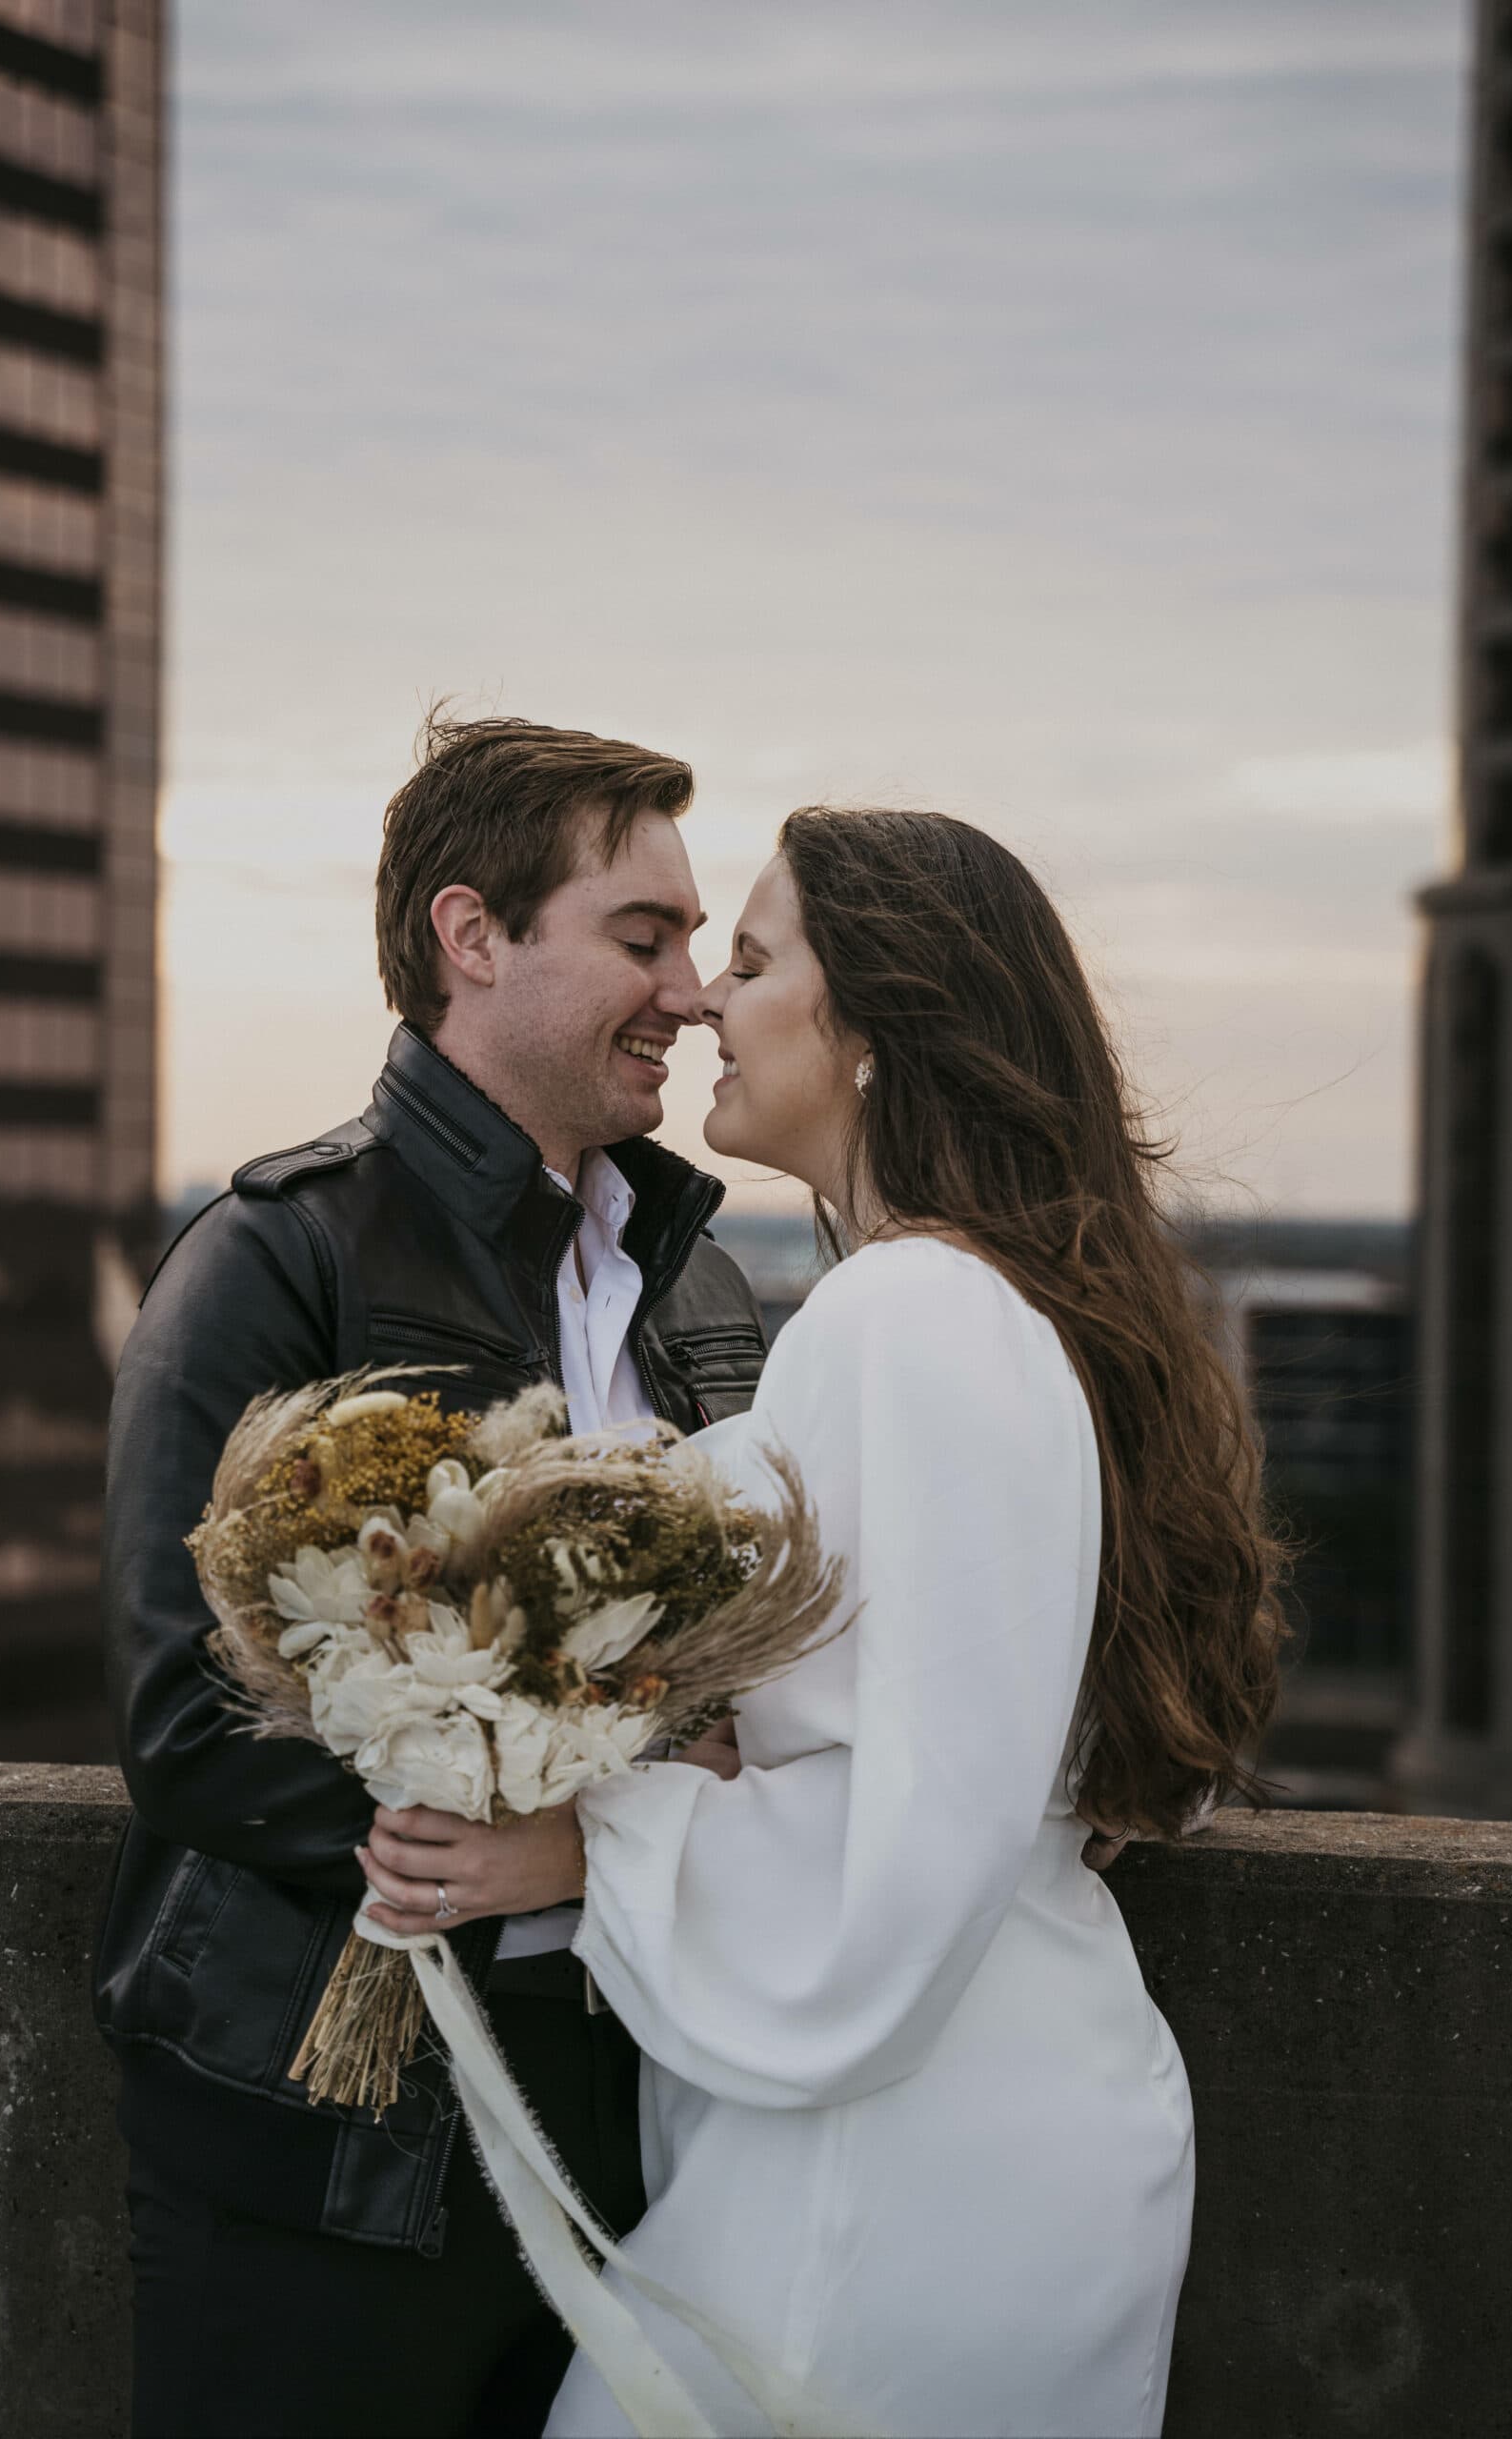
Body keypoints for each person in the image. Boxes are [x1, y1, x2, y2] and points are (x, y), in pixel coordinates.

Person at [370, 805, 1283, 2439]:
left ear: (875, 1027)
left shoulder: (915, 1315)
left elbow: (913, 1842)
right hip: (974, 2108)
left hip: (903, 2155)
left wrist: (597, 1843)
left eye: (751, 957)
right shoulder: (986, 1304)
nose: (709, 1000)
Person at [93, 716, 774, 2439]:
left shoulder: (703, 1300)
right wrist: (502, 1826)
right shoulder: (275, 1257)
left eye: (696, 946)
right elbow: (185, 1714)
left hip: (645, 2134)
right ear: (473, 940)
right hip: (320, 2144)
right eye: (645, 937)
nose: (691, 993)